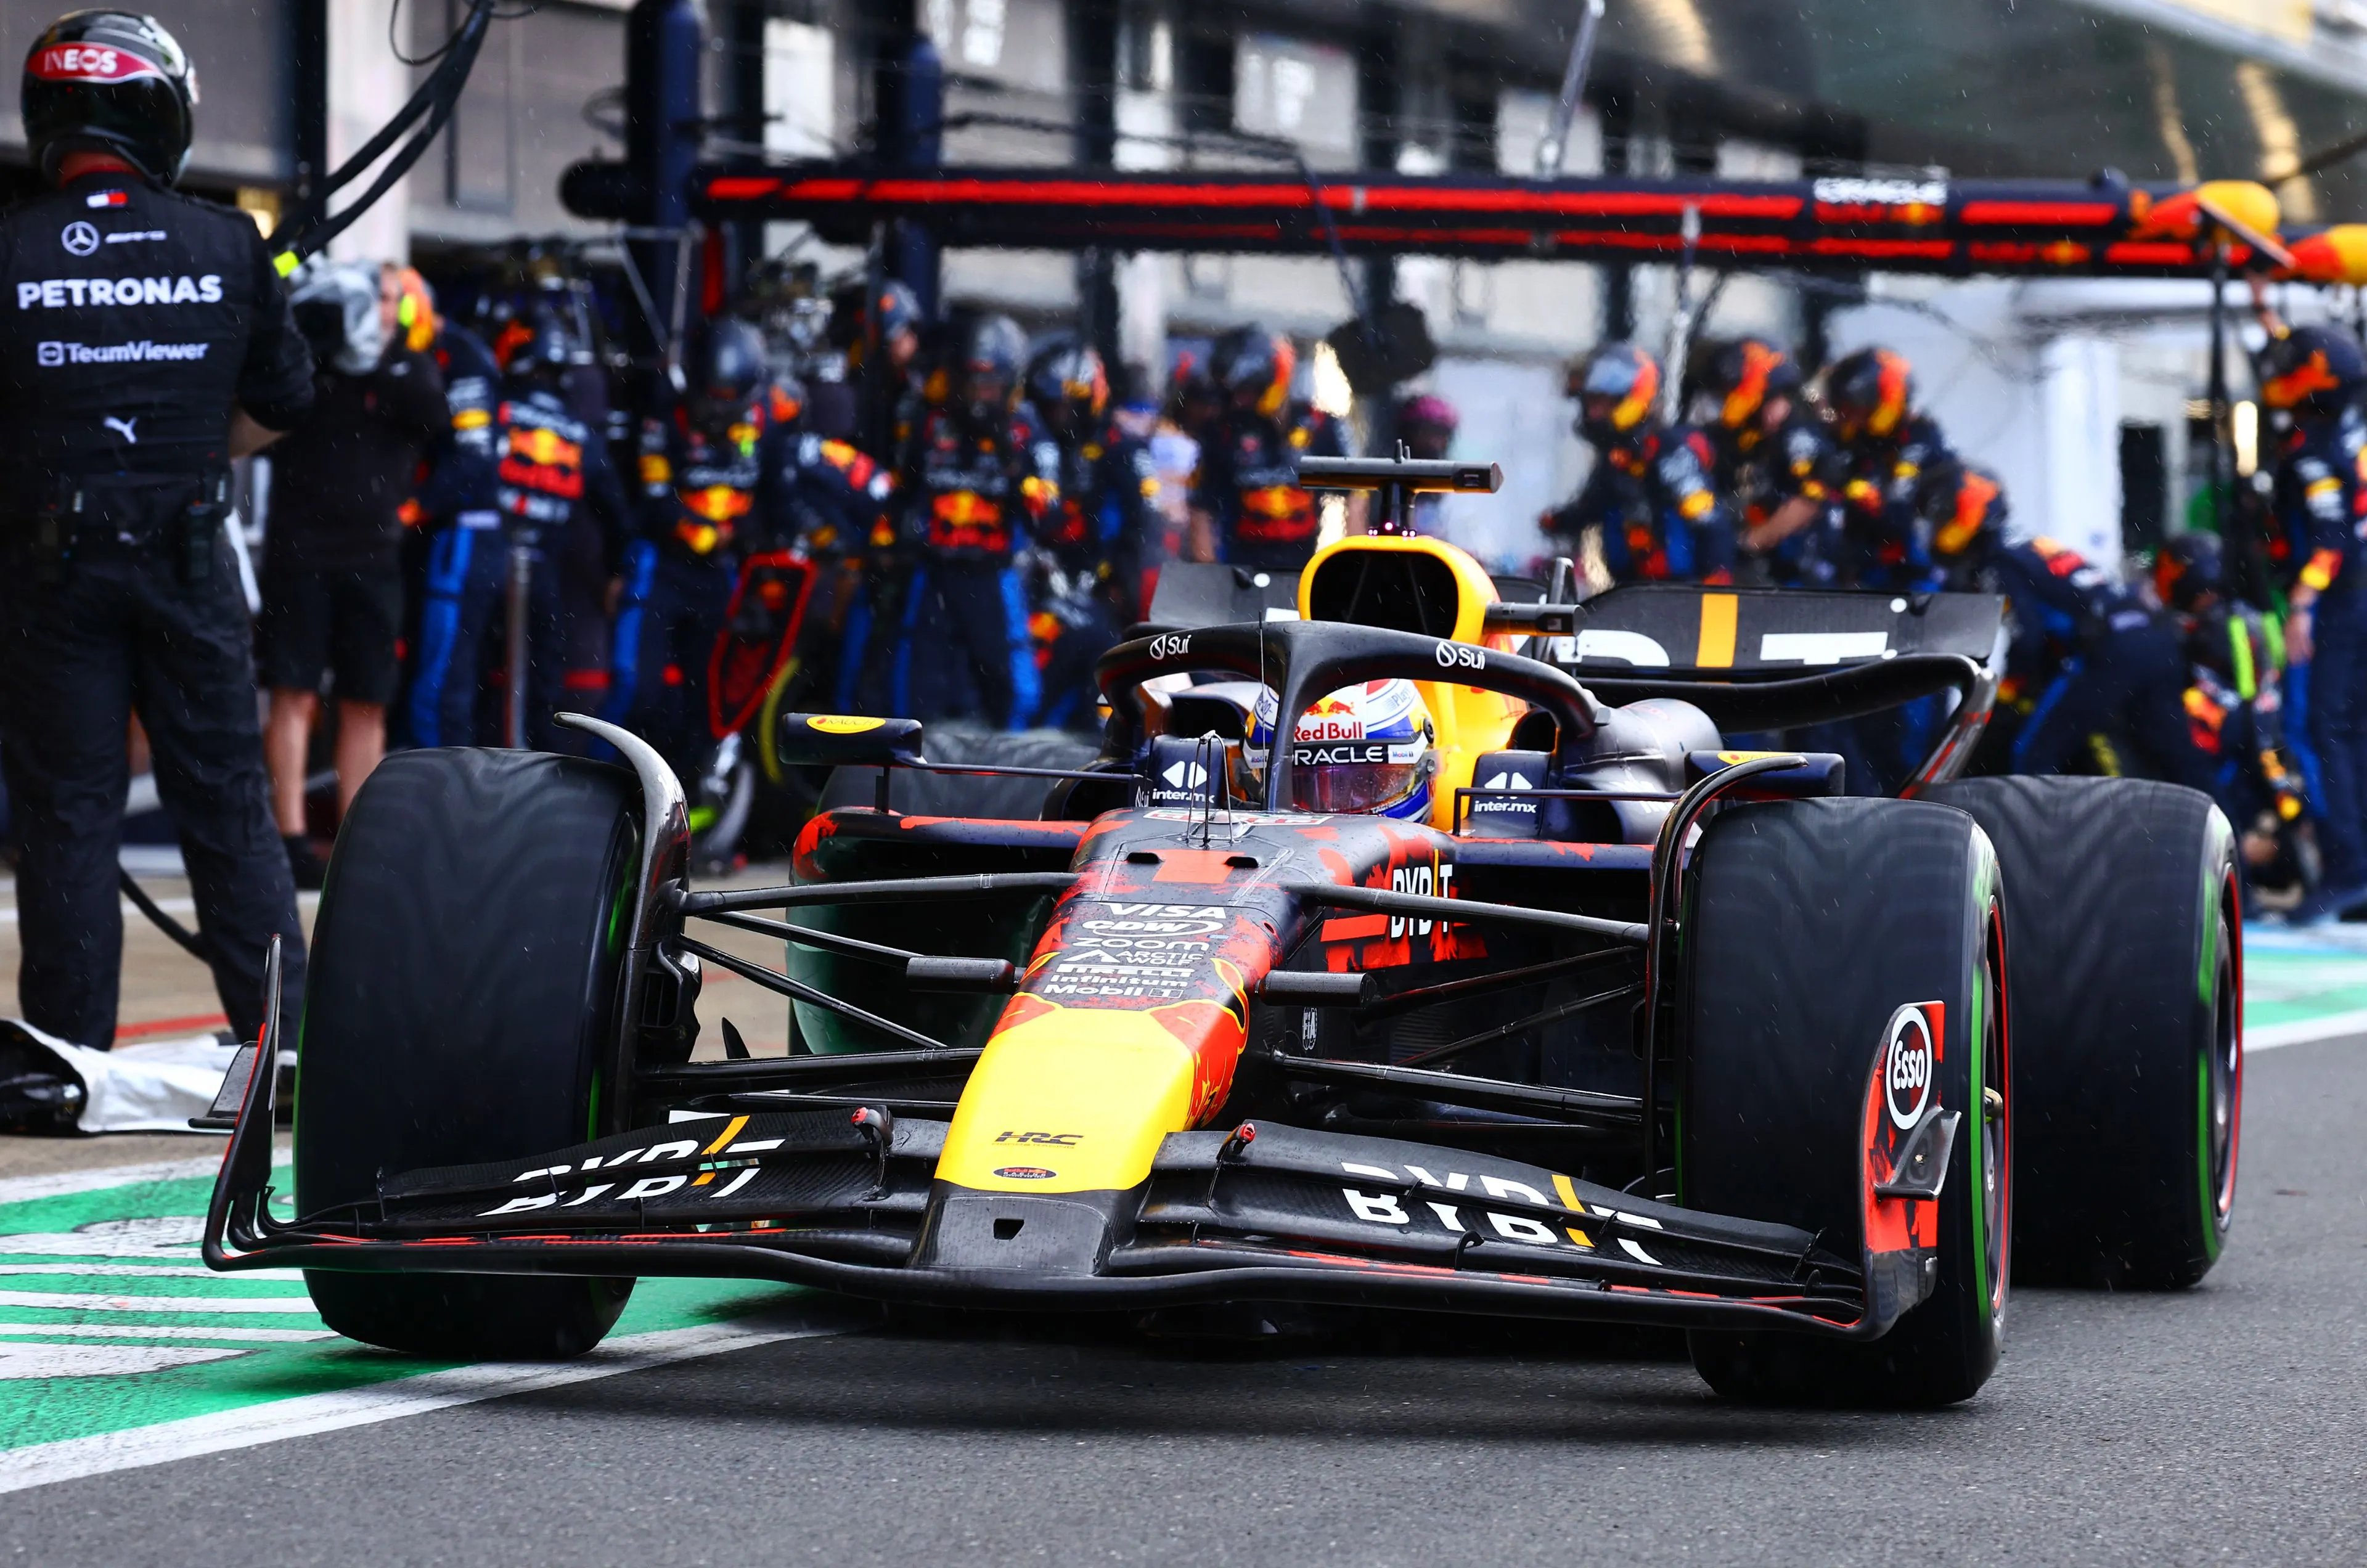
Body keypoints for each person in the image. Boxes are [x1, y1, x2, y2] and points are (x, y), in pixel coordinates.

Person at [0, 11, 315, 1047]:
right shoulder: (229, 242)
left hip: (53, 566)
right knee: (227, 804)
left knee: (67, 815)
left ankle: (68, 1057)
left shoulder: (12, 247)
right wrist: (184, 454)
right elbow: (283, 397)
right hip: (187, 551)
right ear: (161, 113)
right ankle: (290, 1045)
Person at [261, 260, 445, 886]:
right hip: (299, 554)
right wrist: (317, 339)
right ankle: (287, 838)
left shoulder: (406, 368)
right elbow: (271, 408)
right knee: (295, 694)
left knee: (367, 701)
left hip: (373, 558)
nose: (382, 311)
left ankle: (357, 837)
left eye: (391, 300)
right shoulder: (308, 360)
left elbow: (434, 419)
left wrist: (376, 356)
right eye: (373, 299)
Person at [607, 316, 791, 776]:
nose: (716, 407)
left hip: (722, 576)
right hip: (662, 565)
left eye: (727, 399)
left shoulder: (768, 424)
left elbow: (778, 503)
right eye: (710, 394)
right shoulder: (663, 414)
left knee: (711, 699)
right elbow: (651, 498)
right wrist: (699, 529)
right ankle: (600, 779)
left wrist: (753, 540)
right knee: (635, 685)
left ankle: (690, 795)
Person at [890, 312, 1058, 727]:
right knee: (914, 686)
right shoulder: (929, 422)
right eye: (972, 382)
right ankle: (916, 774)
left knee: (1012, 688)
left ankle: (1007, 773)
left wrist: (1016, 468)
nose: (979, 396)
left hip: (993, 574)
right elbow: (901, 493)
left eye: (990, 385)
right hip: (934, 573)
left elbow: (1049, 512)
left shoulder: (1028, 431)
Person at [2257, 321, 2367, 920]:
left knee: (2317, 733)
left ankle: (2346, 869)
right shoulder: (2337, 434)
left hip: (2334, 606)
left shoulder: (2314, 450)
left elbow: (2331, 538)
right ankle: (2357, 872)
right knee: (2351, 735)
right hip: (2354, 600)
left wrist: (2303, 602)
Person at [486, 304, 631, 750]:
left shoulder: (499, 411)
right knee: (544, 676)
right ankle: (539, 769)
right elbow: (618, 512)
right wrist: (619, 570)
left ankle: (482, 763)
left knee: (481, 672)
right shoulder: (579, 433)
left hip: (491, 562)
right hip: (545, 573)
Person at [1024, 335, 1159, 729]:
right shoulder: (1038, 443)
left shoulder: (1123, 448)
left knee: (1097, 651)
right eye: (1048, 405)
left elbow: (1145, 530)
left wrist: (1121, 591)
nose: (1055, 415)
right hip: (1038, 582)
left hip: (1099, 590)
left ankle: (1098, 737)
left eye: (1062, 405)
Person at [401, 272, 507, 748]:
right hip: (443, 537)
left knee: (441, 684)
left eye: (397, 307)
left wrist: (415, 506)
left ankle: (440, 800)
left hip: (466, 535)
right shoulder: (419, 354)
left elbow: (474, 456)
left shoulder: (462, 358)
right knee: (432, 673)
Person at [1543, 344, 1736, 584]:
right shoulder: (1617, 460)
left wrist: (1715, 594)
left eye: (1603, 403)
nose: (1593, 414)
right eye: (1590, 404)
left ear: (1632, 398)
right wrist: (1556, 521)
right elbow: (1589, 508)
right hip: (1633, 594)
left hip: (1683, 594)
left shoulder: (1669, 450)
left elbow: (1711, 524)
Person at [1187, 324, 1347, 571]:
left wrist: (1354, 563)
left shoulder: (1320, 425)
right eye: (1233, 394)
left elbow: (1355, 495)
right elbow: (1201, 508)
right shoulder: (1221, 433)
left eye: (1246, 392)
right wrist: (1207, 575)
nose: (1239, 402)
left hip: (1304, 570)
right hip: (1241, 572)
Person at [1696, 337, 1846, 587]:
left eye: (1728, 390)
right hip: (1780, 569)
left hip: (1807, 575)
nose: (1725, 400)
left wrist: (1748, 542)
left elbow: (1809, 502)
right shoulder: (1756, 437)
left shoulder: (1797, 433)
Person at [1825, 346, 1959, 590]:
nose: (1848, 419)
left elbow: (1899, 513)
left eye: (1853, 411)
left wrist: (1859, 492)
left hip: (1919, 573)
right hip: (1866, 569)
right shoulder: (1860, 441)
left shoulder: (1921, 437)